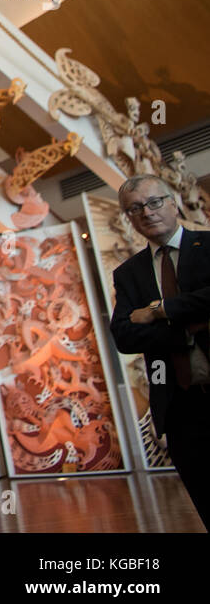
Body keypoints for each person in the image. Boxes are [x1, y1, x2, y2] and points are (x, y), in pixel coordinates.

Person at [110, 174, 210, 527]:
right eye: (135, 209)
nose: (147, 213)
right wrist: (188, 327)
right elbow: (123, 335)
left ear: (173, 202)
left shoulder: (208, 246)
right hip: (180, 407)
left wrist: (159, 311)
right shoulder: (128, 273)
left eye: (154, 202)